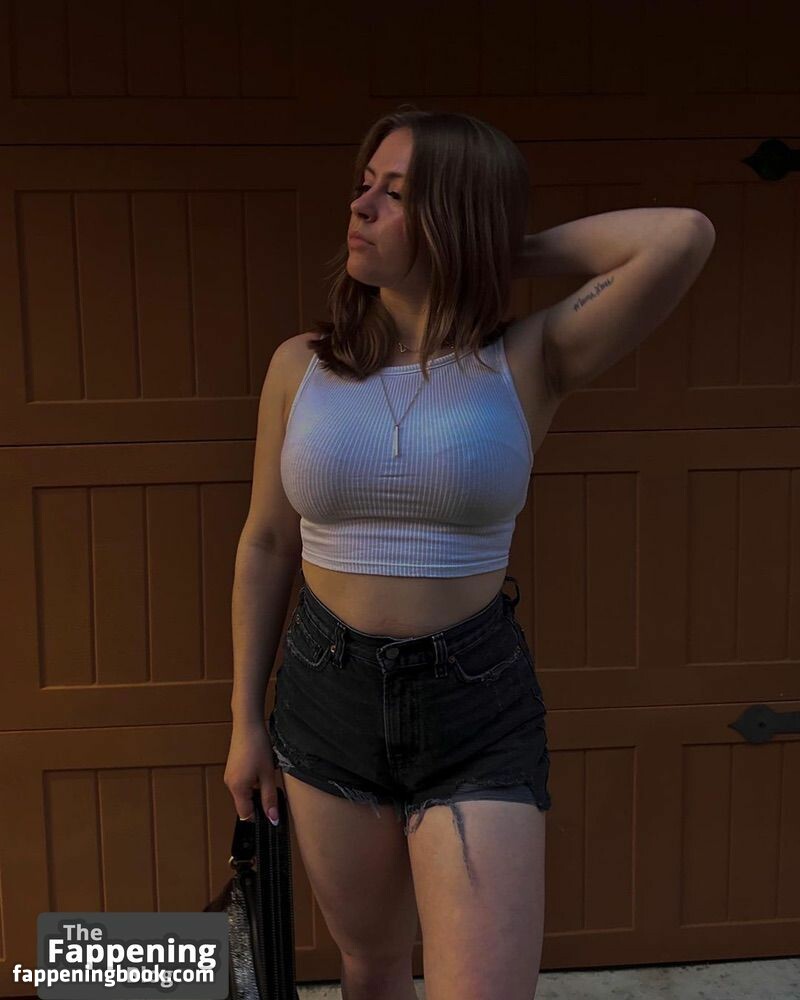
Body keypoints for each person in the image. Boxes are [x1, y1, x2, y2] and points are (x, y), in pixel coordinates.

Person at [224, 107, 716, 1000]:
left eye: (397, 194)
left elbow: (681, 236)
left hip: (472, 702)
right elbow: (265, 543)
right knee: (371, 969)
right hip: (326, 694)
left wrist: (490, 252)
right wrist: (243, 720)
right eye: (364, 185)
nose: (361, 206)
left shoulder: (527, 359)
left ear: (457, 220)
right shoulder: (301, 366)